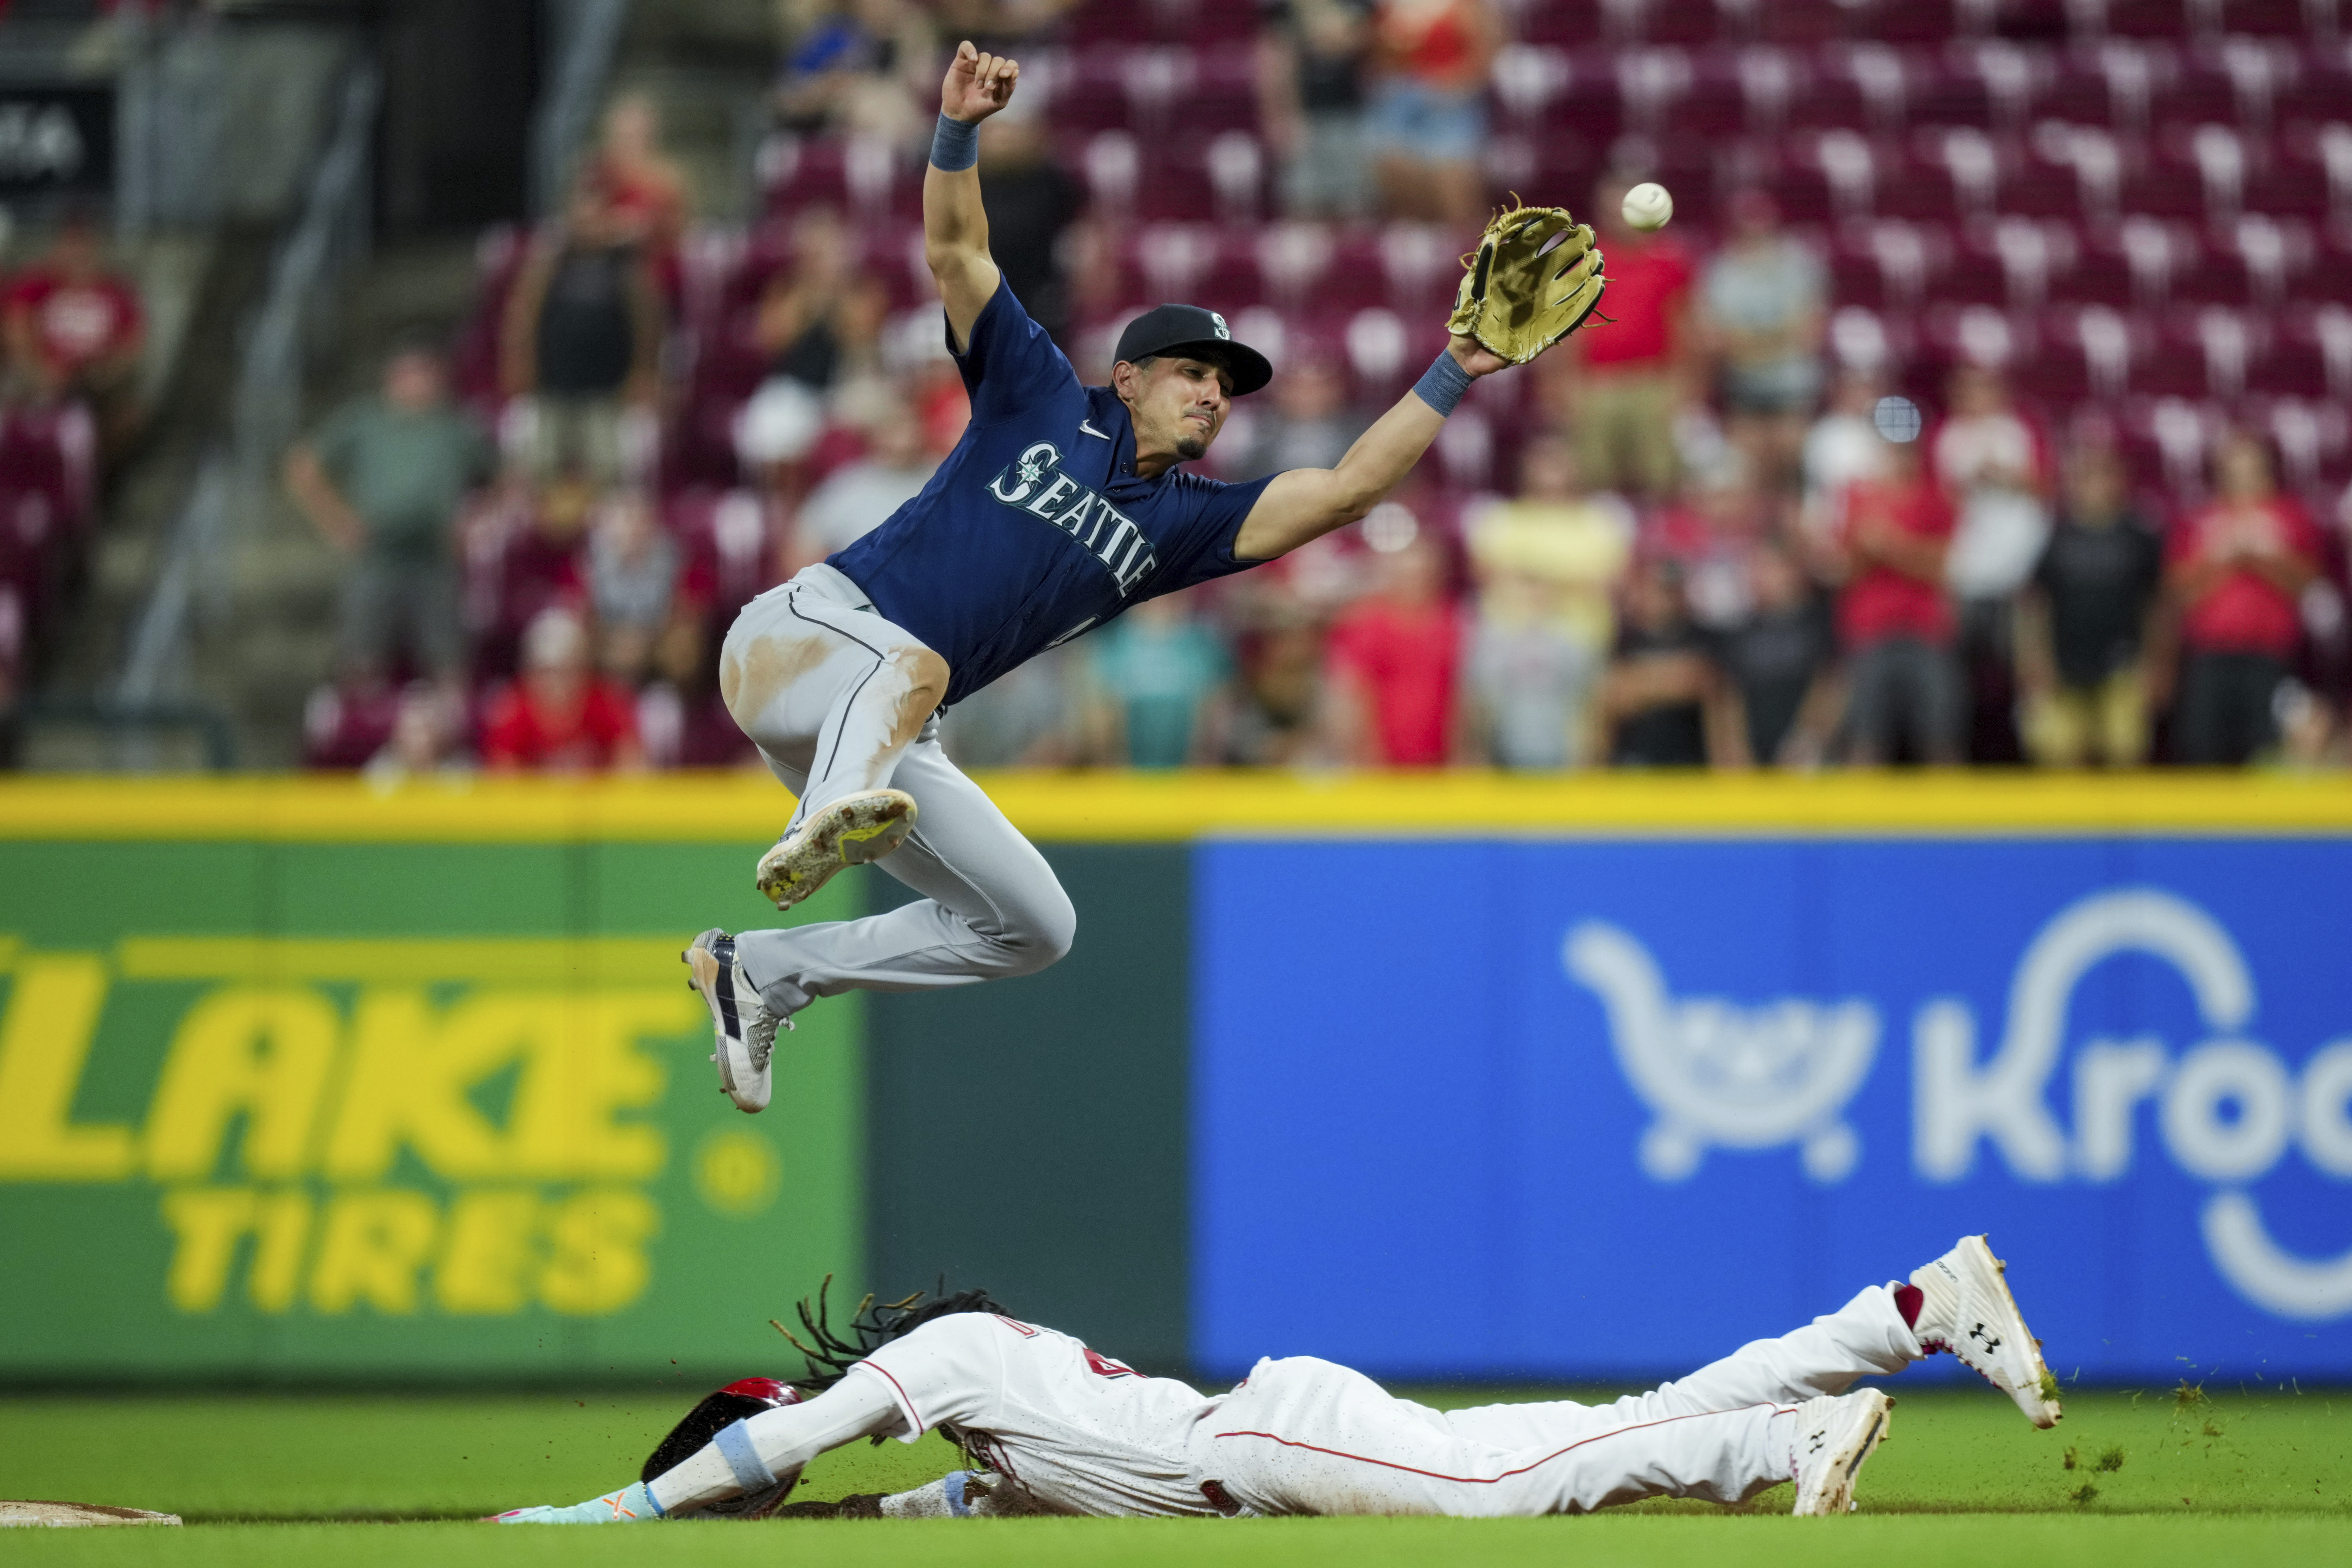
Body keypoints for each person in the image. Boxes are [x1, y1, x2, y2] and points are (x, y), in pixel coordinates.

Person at [682, 40, 1576, 1117]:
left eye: (1226, 386)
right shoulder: (1039, 396)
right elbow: (959, 256)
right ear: (1130, 377)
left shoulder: (1183, 523)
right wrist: (959, 129)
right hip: (802, 640)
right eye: (1193, 373)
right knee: (919, 661)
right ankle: (822, 822)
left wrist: (1452, 371)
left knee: (1032, 927)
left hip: (886, 730)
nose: (1213, 396)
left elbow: (1340, 490)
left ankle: (766, 969)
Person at [494, 1233, 2061, 1525]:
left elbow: (791, 1449)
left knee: (1519, 1485)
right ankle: (1910, 1307)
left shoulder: (935, 1357)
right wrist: (808, 1524)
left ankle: (1785, 1435)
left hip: (1260, 1435)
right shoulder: (1001, 1423)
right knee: (1574, 1431)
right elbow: (912, 1502)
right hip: (1261, 1425)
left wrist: (608, 1507)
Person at [285, 345, 497, 684]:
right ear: (390, 380)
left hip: (434, 555)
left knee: (447, 657)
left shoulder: (455, 428)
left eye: (424, 375)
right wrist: (338, 520)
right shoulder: (364, 422)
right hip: (377, 553)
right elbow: (303, 468)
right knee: (362, 655)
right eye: (407, 375)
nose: (416, 384)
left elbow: (501, 478)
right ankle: (362, 726)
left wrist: (473, 522)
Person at [2165, 431, 2320, 766]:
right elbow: (2181, 593)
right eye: (2234, 470)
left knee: (2265, 751)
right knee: (2202, 748)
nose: (2244, 479)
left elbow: (2305, 586)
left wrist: (2263, 554)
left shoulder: (2291, 516)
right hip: (2210, 654)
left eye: (2252, 469)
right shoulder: (2199, 519)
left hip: (2269, 653)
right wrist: (2223, 555)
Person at [500, 180, 665, 486]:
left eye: (593, 215)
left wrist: (644, 374)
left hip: (606, 390)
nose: (586, 223)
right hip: (552, 386)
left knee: (607, 470)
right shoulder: (550, 264)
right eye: (579, 215)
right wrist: (521, 363)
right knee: (541, 467)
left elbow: (647, 326)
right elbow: (524, 318)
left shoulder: (625, 266)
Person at [2016, 443, 2163, 769]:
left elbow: (2157, 605)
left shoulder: (2139, 537)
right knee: (2058, 752)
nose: (2095, 487)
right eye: (2087, 479)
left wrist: (2156, 663)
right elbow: (2033, 603)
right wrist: (2033, 659)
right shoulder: (2057, 537)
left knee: (2124, 750)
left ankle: (2125, 821)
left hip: (2123, 664)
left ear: (2120, 483)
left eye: (2104, 478)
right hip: (2063, 664)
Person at [1820, 437, 1962, 766]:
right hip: (1868, 630)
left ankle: (1950, 816)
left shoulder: (1934, 498)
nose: (1898, 458)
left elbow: (1945, 567)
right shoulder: (1856, 498)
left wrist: (1891, 546)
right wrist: (1864, 550)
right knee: (1865, 739)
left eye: (1905, 451)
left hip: (1926, 629)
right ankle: (1861, 818)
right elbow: (1842, 572)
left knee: (1939, 738)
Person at [1553, 173, 1695, 501]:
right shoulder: (1583, 259)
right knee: (1593, 476)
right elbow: (1566, 326)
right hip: (1595, 383)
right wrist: (1564, 385)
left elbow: (1684, 325)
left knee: (1659, 477)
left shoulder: (1669, 259)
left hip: (1652, 381)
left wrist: (1684, 385)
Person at [1932, 365, 2049, 762]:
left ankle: (2034, 755)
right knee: (1957, 678)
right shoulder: (1948, 438)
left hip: (2018, 572)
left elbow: (2045, 487)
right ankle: (1958, 756)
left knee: (2027, 672)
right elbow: (1938, 501)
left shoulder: (2017, 432)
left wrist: (2004, 475)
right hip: (1966, 573)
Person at [1698, 190, 1827, 495]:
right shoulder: (1722, 271)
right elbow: (1717, 338)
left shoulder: (1798, 265)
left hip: (1792, 387)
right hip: (1741, 388)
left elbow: (1809, 330)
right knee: (1747, 472)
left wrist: (1751, 343)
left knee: (1790, 466)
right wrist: (1777, 339)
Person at [1, 210, 146, 452]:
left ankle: (93, 479)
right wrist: (37, 371)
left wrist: (104, 374)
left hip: (94, 387)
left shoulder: (115, 290)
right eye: (71, 247)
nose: (78, 256)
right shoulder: (36, 285)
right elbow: (16, 327)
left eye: (84, 248)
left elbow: (132, 343)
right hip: (41, 380)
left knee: (129, 418)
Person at [1324, 521, 1461, 767]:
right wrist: (1362, 754)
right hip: (1379, 763)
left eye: (1424, 574)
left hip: (1439, 763)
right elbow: (1353, 693)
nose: (1416, 582)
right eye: (1408, 574)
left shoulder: (1452, 623)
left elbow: (1461, 694)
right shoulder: (1368, 623)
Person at [1363, 0, 1496, 227]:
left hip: (1451, 101)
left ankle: (1473, 252)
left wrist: (1451, 86)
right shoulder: (1390, 7)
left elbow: (1486, 55)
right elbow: (1376, 58)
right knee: (1394, 172)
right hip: (1403, 103)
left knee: (1453, 190)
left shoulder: (1464, 6)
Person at [1601, 558, 1744, 768]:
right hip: (1636, 762)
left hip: (1690, 763)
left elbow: (1709, 685)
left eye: (1670, 591)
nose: (1664, 599)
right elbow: (1615, 696)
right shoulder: (1627, 641)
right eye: (1658, 590)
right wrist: (1676, 680)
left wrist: (1643, 683)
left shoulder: (1704, 637)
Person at [1717, 541, 1841, 768]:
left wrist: (1807, 740)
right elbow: (1729, 697)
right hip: (1753, 762)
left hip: (1810, 761)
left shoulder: (1821, 621)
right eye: (1757, 567)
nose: (1760, 576)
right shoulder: (1742, 630)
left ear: (1795, 571)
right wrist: (1735, 752)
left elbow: (1832, 684)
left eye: (1770, 567)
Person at [481, 607, 647, 772]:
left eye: (569, 670)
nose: (559, 683)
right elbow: (503, 777)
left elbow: (633, 765)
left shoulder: (606, 704)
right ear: (529, 675)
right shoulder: (512, 712)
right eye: (548, 672)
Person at [1081, 590, 1231, 768]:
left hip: (1191, 778)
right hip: (1125, 776)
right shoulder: (1110, 648)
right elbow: (1098, 725)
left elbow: (1217, 716)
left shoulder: (1204, 648)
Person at [1257, 0, 1376, 221]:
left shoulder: (1360, 5)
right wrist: (1277, 116)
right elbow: (1274, 61)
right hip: (1305, 118)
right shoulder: (1286, 8)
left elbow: (1375, 54)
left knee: (1355, 208)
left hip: (1353, 117)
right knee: (1305, 207)